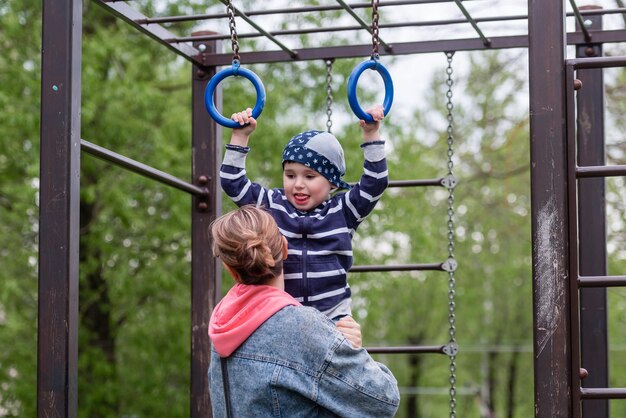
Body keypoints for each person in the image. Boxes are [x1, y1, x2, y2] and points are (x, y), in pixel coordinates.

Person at [208, 205, 400, 417]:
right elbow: (384, 400)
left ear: (230, 269)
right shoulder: (303, 327)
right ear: (284, 247)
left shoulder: (221, 323)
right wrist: (350, 349)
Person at [220, 105, 387, 321]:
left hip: (333, 315)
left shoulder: (343, 212)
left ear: (332, 183)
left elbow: (375, 182)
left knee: (347, 344)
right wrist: (239, 136)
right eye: (290, 175)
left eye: (309, 177)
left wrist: (371, 134)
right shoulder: (271, 205)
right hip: (283, 313)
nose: (298, 184)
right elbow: (232, 181)